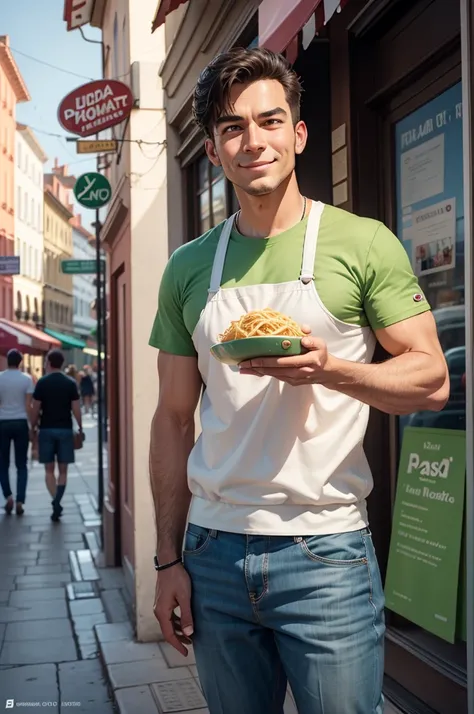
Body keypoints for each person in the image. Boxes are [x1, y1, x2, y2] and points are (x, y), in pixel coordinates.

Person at [148, 48, 449, 714]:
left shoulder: (362, 243)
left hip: (327, 553)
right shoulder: (188, 268)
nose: (253, 140)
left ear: (299, 134)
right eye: (232, 127)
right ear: (216, 149)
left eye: (270, 121)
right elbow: (172, 418)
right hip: (213, 552)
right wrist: (168, 561)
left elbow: (431, 379)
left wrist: (331, 368)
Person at [30, 349, 82, 521]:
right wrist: (80, 426)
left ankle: (55, 501)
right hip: (65, 429)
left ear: (49, 363)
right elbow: (76, 408)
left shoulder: (42, 383)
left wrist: (32, 427)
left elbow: (35, 408)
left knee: (49, 470)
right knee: (64, 470)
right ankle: (58, 501)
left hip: (46, 429)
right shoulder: (70, 383)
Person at [0, 349, 34, 515]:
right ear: (20, 362)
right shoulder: (26, 379)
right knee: (22, 464)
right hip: (21, 422)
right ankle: (21, 500)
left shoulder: (0, 378)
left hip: (3, 422)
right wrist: (32, 425)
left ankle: (8, 497)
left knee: (3, 463)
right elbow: (29, 406)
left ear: (7, 361)